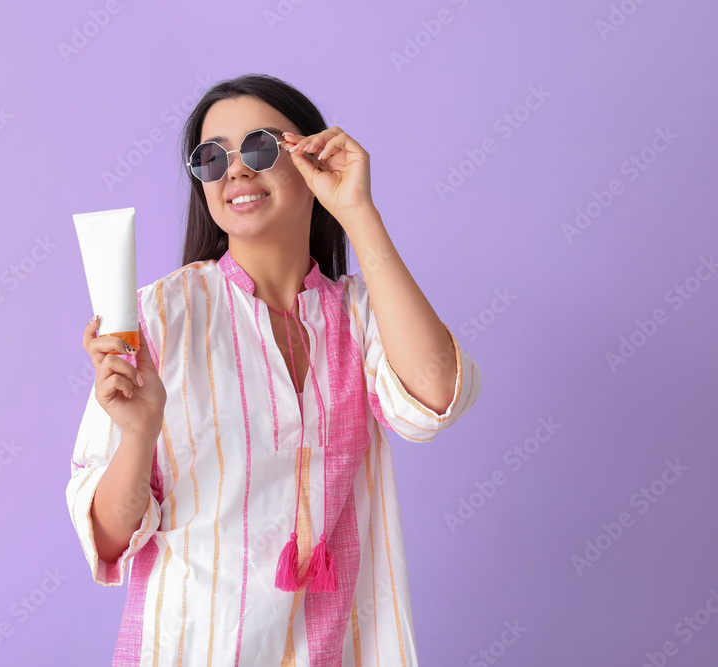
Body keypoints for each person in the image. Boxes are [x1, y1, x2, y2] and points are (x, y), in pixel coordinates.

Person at [67, 73, 482, 667]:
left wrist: (357, 210)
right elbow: (109, 540)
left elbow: (435, 396)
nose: (235, 170)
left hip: (338, 648)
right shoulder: (158, 316)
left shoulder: (360, 314)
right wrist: (138, 431)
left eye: (260, 147)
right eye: (212, 159)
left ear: (312, 157)